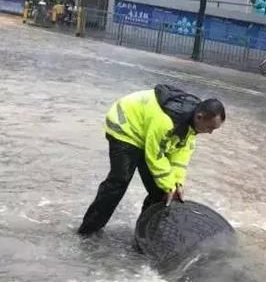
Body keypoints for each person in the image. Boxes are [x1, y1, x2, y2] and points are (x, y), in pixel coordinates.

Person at [77, 84, 225, 236]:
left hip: (147, 132)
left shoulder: (192, 123)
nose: (210, 133)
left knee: (160, 191)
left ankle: (144, 235)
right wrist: (168, 185)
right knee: (119, 181)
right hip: (126, 127)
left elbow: (179, 156)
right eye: (209, 128)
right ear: (200, 117)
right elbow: (154, 154)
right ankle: (88, 230)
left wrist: (176, 184)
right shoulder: (167, 121)